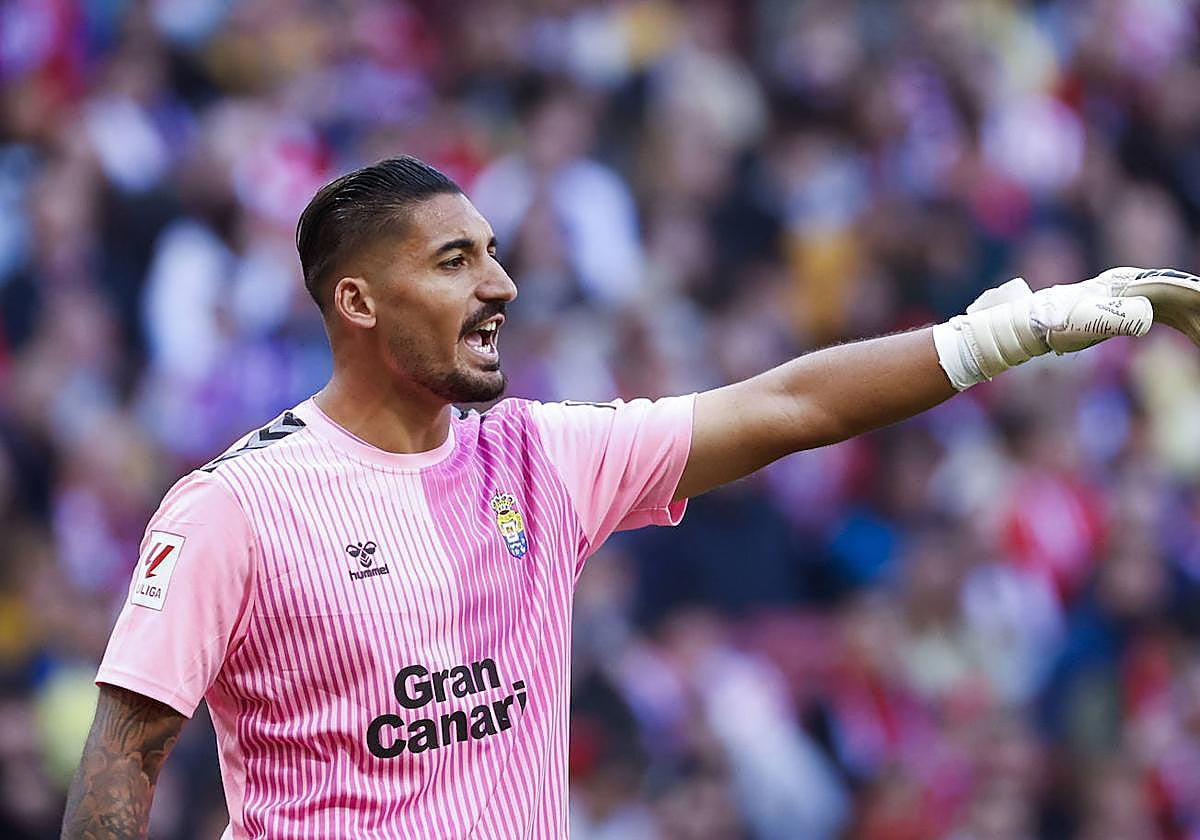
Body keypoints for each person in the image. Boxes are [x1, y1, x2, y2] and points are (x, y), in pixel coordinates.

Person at [59, 156, 1200, 839]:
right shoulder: (235, 507)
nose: (500, 282)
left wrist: (1011, 330)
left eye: (494, 253)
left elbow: (787, 407)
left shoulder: (542, 459)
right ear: (356, 301)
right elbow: (122, 769)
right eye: (453, 261)